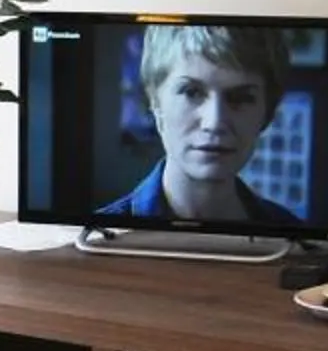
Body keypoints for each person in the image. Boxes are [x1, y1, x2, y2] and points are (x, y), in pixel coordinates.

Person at [98, 24, 303, 225]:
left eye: (241, 97)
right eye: (191, 92)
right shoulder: (102, 239)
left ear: (267, 112)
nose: (214, 122)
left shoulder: (292, 241)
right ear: (155, 101)